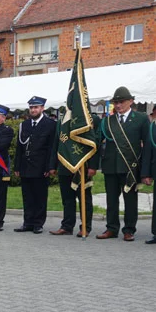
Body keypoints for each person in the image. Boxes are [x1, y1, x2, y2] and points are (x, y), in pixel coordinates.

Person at [96, 86, 148, 241]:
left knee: (130, 201)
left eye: (121, 101)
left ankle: (129, 229)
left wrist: (145, 171)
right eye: (116, 102)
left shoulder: (141, 118)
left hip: (130, 167)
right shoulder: (107, 121)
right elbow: (98, 142)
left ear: (131, 101)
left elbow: (147, 146)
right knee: (111, 200)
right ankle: (111, 228)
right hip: (110, 166)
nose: (118, 105)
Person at [49, 107, 98, 237]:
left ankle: (85, 227)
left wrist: (93, 166)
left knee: (84, 199)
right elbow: (57, 143)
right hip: (64, 164)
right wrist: (52, 165)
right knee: (67, 199)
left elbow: (93, 143)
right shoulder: (62, 121)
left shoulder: (87, 119)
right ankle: (67, 226)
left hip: (82, 165)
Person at [13, 96, 56, 234]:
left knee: (40, 196)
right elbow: (19, 147)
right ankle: (28, 222)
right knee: (27, 196)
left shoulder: (50, 124)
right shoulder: (24, 125)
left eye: (36, 107)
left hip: (40, 167)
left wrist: (49, 167)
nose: (33, 110)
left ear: (42, 108)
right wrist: (17, 166)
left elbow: (51, 148)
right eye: (31, 107)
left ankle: (38, 223)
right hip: (26, 166)